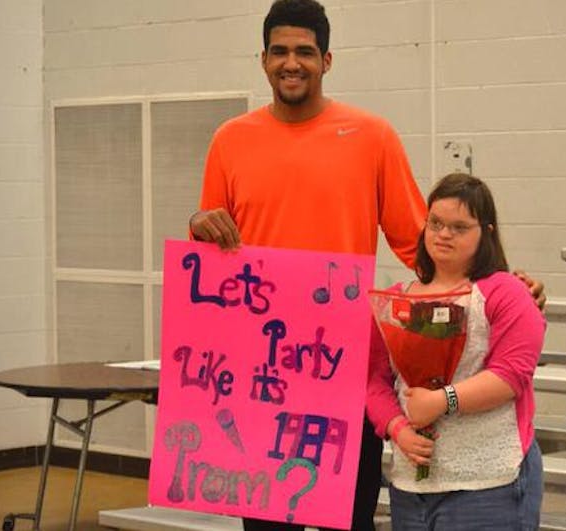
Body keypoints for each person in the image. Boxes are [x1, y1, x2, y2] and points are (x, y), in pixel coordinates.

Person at [188, 1, 545, 529]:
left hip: (342, 365)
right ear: (262, 59)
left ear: (327, 60)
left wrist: (499, 282)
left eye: (305, 52)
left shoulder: (371, 136)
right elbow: (215, 254)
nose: (293, 63)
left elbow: (423, 246)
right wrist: (198, 224)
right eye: (280, 51)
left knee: (347, 520)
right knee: (265, 525)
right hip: (263, 374)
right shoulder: (229, 140)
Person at [367, 173, 546, 530]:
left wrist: (442, 401)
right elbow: (373, 380)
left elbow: (511, 375)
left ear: (486, 233)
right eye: (436, 223)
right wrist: (396, 427)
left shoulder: (505, 292)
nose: (444, 234)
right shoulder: (396, 298)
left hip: (488, 485)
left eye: (459, 227)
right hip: (410, 486)